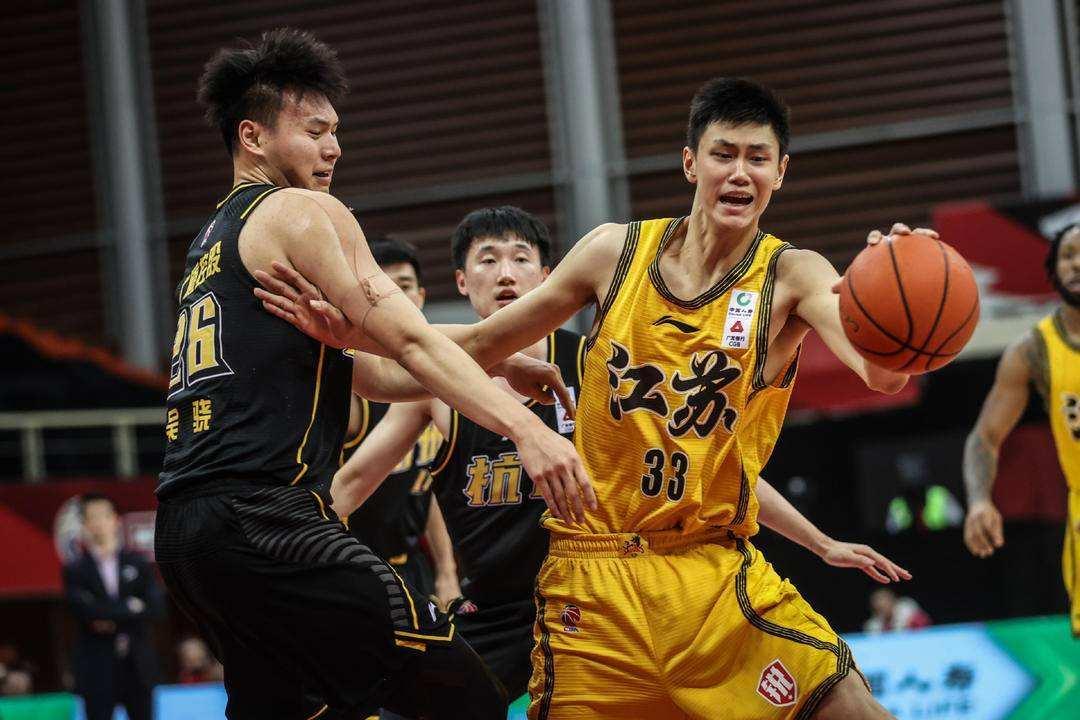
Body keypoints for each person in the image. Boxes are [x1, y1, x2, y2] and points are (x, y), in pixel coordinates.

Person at [261, 77, 926, 718]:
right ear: (690, 162)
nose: (739, 173)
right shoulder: (613, 252)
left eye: (758, 158)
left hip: (712, 573)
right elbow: (470, 349)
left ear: (781, 172)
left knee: (853, 710)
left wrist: (901, 303)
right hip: (593, 584)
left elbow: (882, 374)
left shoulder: (795, 274)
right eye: (723, 154)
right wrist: (346, 339)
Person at [153, 28, 593, 720]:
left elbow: (370, 371)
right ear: (253, 136)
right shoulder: (300, 210)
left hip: (187, 535)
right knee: (468, 699)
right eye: (314, 131)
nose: (333, 148)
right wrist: (526, 430)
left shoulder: (209, 243)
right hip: (270, 522)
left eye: (336, 132)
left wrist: (497, 357)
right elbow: (410, 342)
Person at [963, 222, 1080, 637]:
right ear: (1053, 270)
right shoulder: (1034, 350)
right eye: (1067, 255)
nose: (1076, 264)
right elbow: (985, 437)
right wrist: (980, 500)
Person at [342, 235, 454, 604]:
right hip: (354, 569)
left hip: (411, 565)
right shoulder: (356, 383)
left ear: (420, 296)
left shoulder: (437, 379)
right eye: (384, 287)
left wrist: (447, 572)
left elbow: (423, 483)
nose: (396, 298)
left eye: (404, 286)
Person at [63, 494, 163, 720]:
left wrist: (106, 613)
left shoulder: (139, 563)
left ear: (115, 520)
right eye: (92, 517)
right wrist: (130, 607)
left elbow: (156, 607)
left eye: (104, 516)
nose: (99, 523)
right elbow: (82, 611)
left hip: (138, 666)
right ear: (84, 525)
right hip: (96, 668)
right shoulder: (75, 569)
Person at [862, 588, 931, 634]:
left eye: (885, 602)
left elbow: (925, 627)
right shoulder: (873, 625)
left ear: (892, 600)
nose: (883, 607)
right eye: (879, 607)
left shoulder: (907, 609)